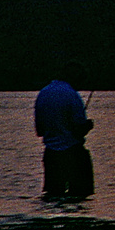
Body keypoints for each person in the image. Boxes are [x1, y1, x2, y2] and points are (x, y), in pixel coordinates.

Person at [35, 63, 94, 201]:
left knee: (53, 197)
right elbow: (78, 130)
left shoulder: (43, 93)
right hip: (73, 154)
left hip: (51, 156)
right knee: (80, 197)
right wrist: (88, 125)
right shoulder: (72, 95)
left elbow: (40, 131)